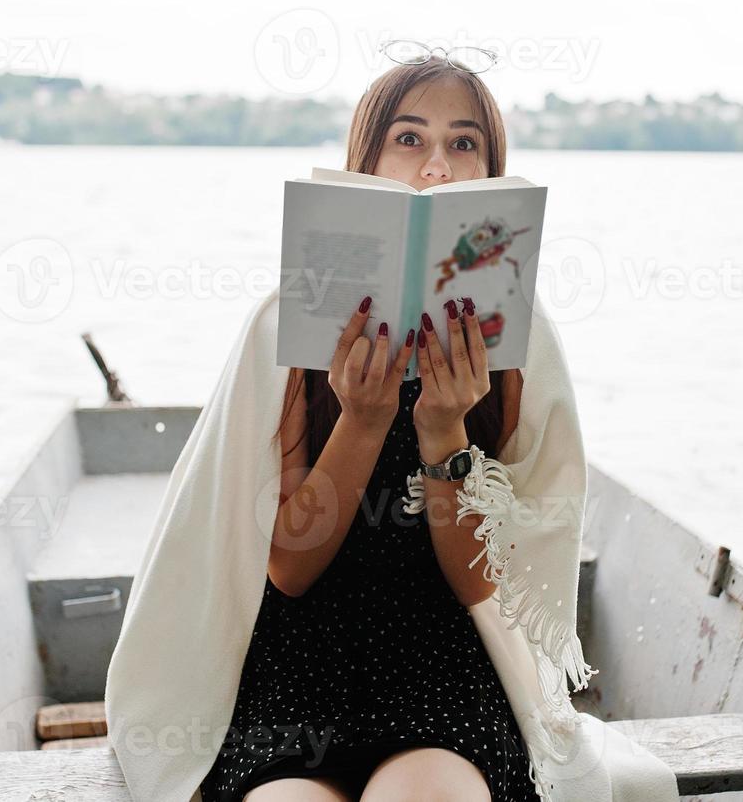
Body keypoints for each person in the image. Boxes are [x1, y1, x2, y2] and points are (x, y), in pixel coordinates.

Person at [198, 53, 540, 802]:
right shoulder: (295, 325)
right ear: (369, 159)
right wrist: (362, 418)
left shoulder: (511, 342)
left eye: (463, 143)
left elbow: (480, 583)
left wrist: (444, 429)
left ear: (490, 164)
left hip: (443, 665)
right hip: (304, 665)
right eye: (409, 140)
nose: (437, 168)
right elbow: (288, 569)